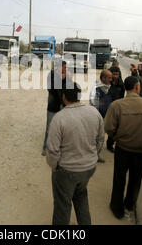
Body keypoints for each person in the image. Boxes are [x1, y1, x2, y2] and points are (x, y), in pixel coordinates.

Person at [46, 83, 105, 225]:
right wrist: (92, 157)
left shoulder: (59, 118)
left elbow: (52, 150)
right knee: (81, 198)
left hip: (66, 170)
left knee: (62, 206)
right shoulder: (94, 112)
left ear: (64, 97)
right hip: (88, 168)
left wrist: (55, 167)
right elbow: (100, 139)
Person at [104, 76, 142, 220]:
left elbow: (109, 128)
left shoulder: (117, 105)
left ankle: (117, 208)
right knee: (136, 179)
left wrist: (117, 138)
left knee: (119, 178)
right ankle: (129, 204)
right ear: (137, 87)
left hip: (123, 149)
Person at [42, 61, 70, 156]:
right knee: (49, 128)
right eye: (64, 67)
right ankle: (45, 147)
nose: (65, 69)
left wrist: (67, 78)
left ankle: (59, 148)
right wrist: (60, 79)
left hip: (63, 105)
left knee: (62, 128)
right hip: (53, 105)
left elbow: (68, 89)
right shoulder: (52, 74)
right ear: (59, 67)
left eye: (66, 68)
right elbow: (51, 89)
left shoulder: (65, 75)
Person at [89, 69, 113, 162]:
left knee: (100, 138)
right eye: (109, 77)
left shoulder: (108, 87)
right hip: (98, 119)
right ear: (103, 78)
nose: (111, 79)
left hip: (106, 117)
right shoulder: (96, 88)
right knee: (96, 138)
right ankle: (92, 157)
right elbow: (93, 103)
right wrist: (98, 118)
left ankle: (96, 156)